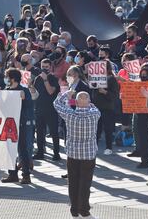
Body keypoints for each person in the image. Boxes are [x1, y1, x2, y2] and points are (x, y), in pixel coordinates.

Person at [53, 90, 101, 219]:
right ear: (89, 102)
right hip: (88, 154)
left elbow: (56, 103)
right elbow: (94, 107)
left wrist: (67, 94)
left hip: (73, 154)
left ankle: (74, 211)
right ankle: (84, 211)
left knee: (73, 182)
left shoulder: (70, 115)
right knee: (85, 183)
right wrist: (87, 102)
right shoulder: (95, 114)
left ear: (76, 102)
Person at [0, 68, 35, 184]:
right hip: (9, 124)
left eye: (6, 76)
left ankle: (26, 175)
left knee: (22, 150)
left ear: (13, 79)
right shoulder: (6, 90)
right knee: (9, 149)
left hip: (21, 124)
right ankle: (12, 174)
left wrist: (24, 99)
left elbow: (29, 107)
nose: (5, 79)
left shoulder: (24, 90)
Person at [31, 58, 60, 160]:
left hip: (51, 109)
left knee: (53, 132)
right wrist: (30, 86)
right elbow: (34, 92)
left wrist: (45, 79)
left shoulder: (53, 78)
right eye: (43, 67)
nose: (44, 69)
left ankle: (56, 153)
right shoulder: (37, 78)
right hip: (39, 107)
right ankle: (40, 152)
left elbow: (51, 91)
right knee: (39, 131)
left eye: (46, 67)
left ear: (50, 67)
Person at [93, 62, 119, 155]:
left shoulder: (111, 79)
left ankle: (109, 147)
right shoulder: (95, 78)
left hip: (107, 108)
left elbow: (115, 95)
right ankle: (94, 147)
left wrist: (105, 92)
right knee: (96, 128)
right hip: (96, 107)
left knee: (108, 129)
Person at [133, 66, 148, 168]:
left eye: (145, 76)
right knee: (143, 138)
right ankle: (144, 160)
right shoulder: (137, 85)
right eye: (141, 76)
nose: (143, 78)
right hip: (140, 114)